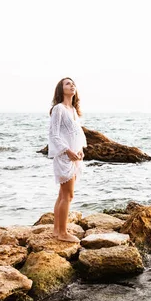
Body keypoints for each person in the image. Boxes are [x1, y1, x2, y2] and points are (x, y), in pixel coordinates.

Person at [48, 77, 87, 243]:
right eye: (67, 84)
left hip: (75, 157)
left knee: (62, 194)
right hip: (65, 158)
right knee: (68, 196)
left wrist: (80, 151)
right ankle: (63, 233)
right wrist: (67, 151)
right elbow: (54, 135)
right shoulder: (59, 109)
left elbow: (77, 135)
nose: (72, 85)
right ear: (61, 89)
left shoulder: (74, 111)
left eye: (73, 83)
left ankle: (57, 230)